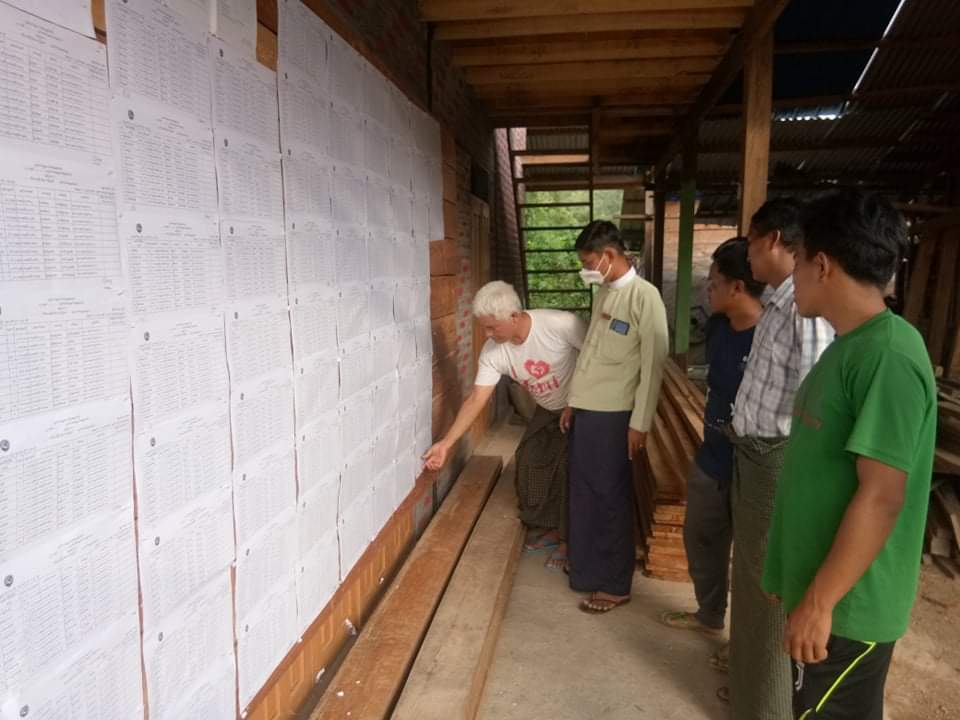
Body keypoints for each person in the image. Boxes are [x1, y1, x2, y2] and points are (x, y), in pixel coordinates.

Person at [763, 190, 935, 720]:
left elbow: (881, 497)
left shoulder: (887, 356)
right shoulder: (850, 344)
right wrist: (790, 575)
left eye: (797, 259)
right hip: (825, 596)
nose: (793, 275)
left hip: (848, 609)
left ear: (822, 264)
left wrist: (819, 602)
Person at [722, 199, 835, 718]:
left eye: (750, 242)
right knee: (749, 581)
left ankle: (766, 708)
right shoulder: (776, 301)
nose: (746, 254)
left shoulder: (804, 310)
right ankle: (748, 690)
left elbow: (816, 406)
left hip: (776, 461)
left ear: (772, 241)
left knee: (770, 588)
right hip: (753, 454)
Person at [423, 280, 586, 570]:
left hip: (584, 405)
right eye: (484, 328)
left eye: (492, 327)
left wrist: (577, 401)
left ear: (514, 316)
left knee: (570, 469)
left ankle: (571, 542)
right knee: (529, 459)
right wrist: (446, 443)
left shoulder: (561, 324)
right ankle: (553, 528)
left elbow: (598, 359)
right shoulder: (494, 351)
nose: (487, 334)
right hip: (549, 408)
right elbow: (477, 398)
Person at [562, 220, 669, 613]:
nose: (587, 269)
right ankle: (585, 570)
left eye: (589, 262)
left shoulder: (645, 297)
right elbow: (590, 351)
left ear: (609, 255)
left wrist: (640, 422)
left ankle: (613, 583)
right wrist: (573, 400)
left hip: (616, 415)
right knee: (583, 493)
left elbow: (653, 366)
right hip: (588, 410)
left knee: (609, 497)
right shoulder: (604, 292)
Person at [661, 238, 764, 636]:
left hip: (755, 463)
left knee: (754, 559)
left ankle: (745, 645)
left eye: (715, 281)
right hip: (713, 455)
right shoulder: (719, 327)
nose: (708, 288)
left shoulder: (770, 338)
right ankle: (709, 615)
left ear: (738, 287)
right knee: (701, 538)